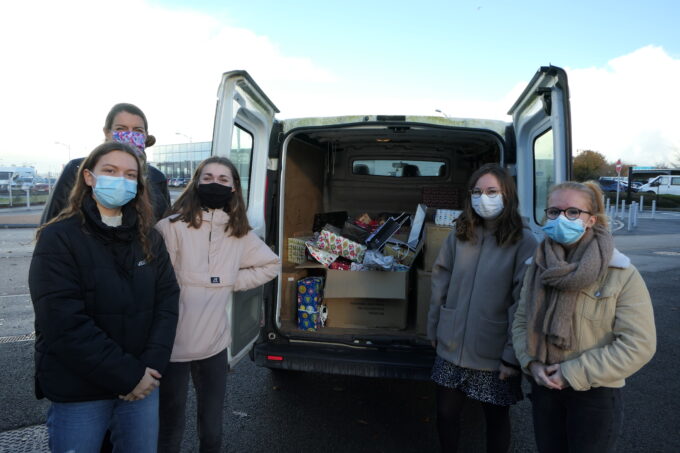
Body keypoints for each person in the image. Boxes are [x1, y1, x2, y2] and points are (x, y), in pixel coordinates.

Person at [28, 141, 180, 452]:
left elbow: (167, 301)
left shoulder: (149, 237)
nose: (119, 180)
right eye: (109, 171)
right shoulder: (59, 238)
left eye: (129, 175)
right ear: (88, 177)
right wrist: (129, 375)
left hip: (143, 384)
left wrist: (151, 366)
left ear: (138, 184)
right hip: (80, 389)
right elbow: (62, 322)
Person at [512, 181, 656, 453]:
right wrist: (530, 363)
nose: (561, 218)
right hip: (544, 389)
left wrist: (571, 372)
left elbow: (639, 344)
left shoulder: (621, 273)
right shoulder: (536, 268)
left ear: (591, 220)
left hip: (594, 394)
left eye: (572, 212)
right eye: (554, 211)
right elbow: (521, 323)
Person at [156, 156, 281, 453]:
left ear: (234, 188)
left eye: (223, 179)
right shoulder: (169, 227)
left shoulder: (239, 233)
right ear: (196, 183)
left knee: (212, 429)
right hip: (171, 346)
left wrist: (230, 281)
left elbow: (271, 264)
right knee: (168, 429)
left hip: (213, 346)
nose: (215, 184)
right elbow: (157, 284)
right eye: (208, 177)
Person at [427, 163, 538, 453]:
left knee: (496, 419)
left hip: (493, 352)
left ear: (507, 195)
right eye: (477, 192)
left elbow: (523, 302)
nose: (483, 198)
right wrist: (435, 327)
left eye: (491, 191)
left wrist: (512, 356)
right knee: (446, 414)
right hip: (451, 343)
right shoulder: (461, 232)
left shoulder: (524, 241)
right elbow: (440, 280)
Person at [41, 102, 171, 224]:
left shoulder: (156, 178)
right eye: (121, 128)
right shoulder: (77, 169)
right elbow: (52, 219)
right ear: (107, 132)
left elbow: (164, 227)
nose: (129, 135)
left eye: (137, 130)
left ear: (145, 135)